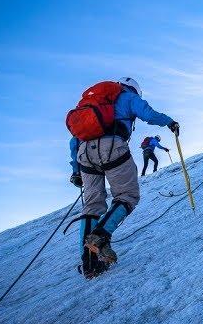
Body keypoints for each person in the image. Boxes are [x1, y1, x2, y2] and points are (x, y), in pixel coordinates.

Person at [67, 77, 179, 278]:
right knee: (127, 195)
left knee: (92, 206)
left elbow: (74, 140)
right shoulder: (127, 97)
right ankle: (100, 237)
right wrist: (170, 122)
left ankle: (90, 265)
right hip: (111, 145)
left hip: (84, 152)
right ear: (135, 90)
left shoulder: (93, 103)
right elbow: (148, 114)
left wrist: (76, 170)